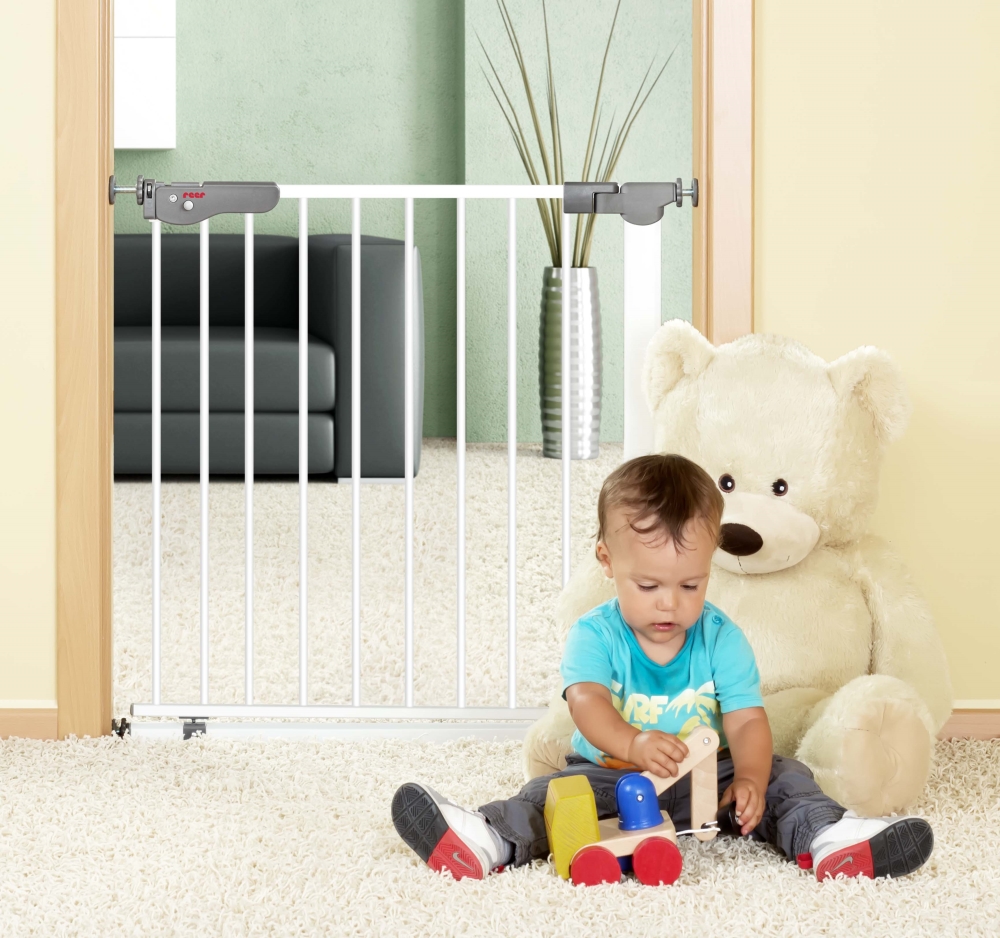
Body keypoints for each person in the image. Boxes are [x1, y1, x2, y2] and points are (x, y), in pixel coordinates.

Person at [391, 454, 935, 882]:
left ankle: (831, 839)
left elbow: (747, 717)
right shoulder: (595, 634)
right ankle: (486, 839)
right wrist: (633, 743)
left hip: (711, 777)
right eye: (648, 585)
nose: (670, 604)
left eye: (690, 585)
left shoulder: (721, 637)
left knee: (787, 777)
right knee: (551, 795)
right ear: (608, 562)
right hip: (615, 777)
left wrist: (749, 777)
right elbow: (586, 703)